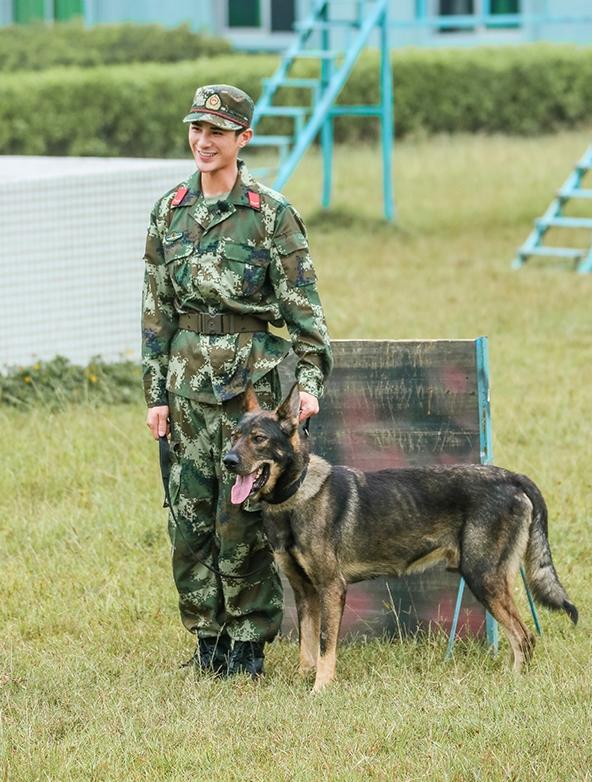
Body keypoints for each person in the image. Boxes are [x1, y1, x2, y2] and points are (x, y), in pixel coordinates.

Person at [142, 84, 333, 678]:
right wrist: (155, 396)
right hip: (185, 387)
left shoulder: (269, 212)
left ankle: (249, 645)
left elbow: (305, 312)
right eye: (196, 130)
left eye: (217, 133)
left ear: (242, 139)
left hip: (251, 393)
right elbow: (155, 312)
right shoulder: (169, 210)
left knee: (246, 522)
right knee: (188, 519)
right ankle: (208, 642)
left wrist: (308, 383)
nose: (203, 142)